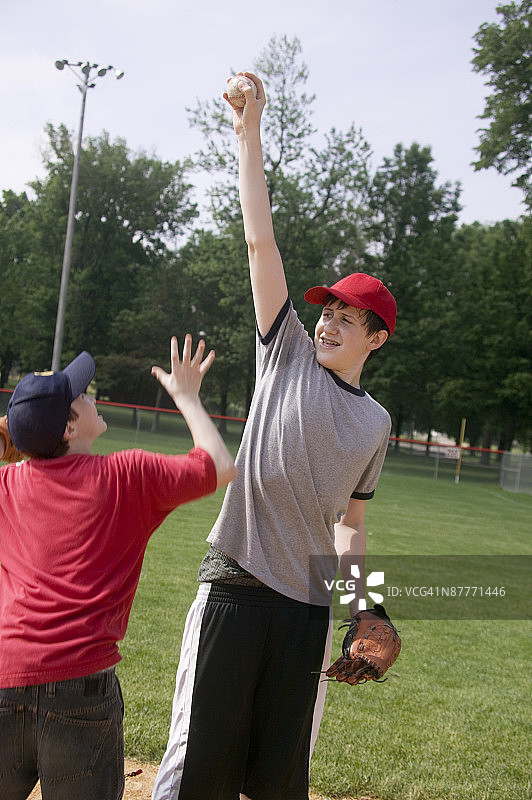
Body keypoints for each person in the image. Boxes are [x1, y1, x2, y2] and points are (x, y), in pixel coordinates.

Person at [152, 73, 396, 800]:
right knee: (196, 769)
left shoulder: (375, 422)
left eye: (347, 320)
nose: (327, 323)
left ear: (375, 340)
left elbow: (349, 524)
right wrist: (248, 135)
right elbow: (260, 241)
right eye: (327, 312)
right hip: (234, 588)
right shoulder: (284, 352)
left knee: (280, 779)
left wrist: (366, 606)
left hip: (305, 614)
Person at [0, 335, 237, 800]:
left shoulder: (7, 484)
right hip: (79, 688)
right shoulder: (126, 476)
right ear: (69, 428)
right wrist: (187, 397)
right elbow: (219, 465)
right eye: (82, 396)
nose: (91, 395)